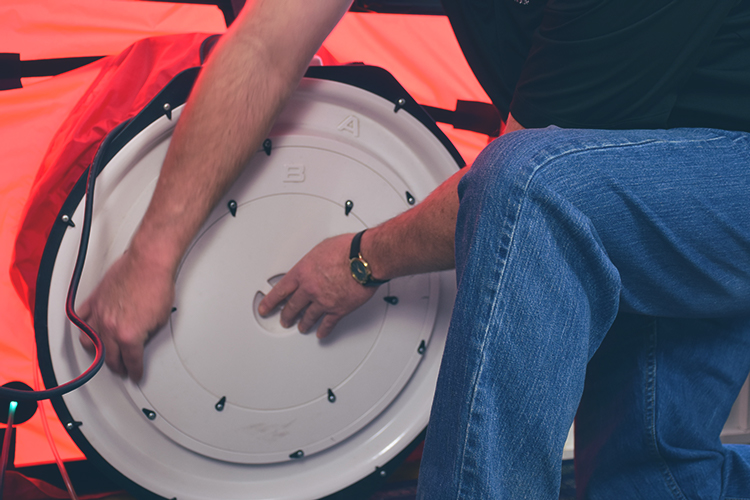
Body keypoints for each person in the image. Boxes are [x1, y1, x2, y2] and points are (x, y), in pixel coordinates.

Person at [80, 0, 750, 497]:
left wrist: (361, 261)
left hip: (721, 174)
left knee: (528, 186)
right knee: (649, 477)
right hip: (644, 159)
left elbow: (523, 181)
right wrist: (152, 253)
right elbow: (264, 46)